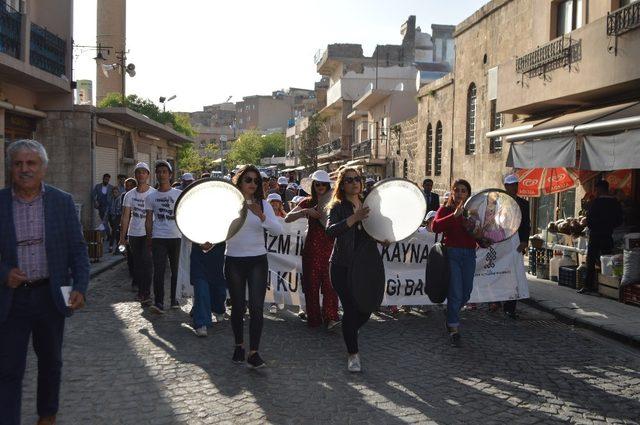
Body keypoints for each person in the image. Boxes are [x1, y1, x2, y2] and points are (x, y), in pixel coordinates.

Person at [0, 139, 89, 425]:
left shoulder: (61, 202)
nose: (24, 169)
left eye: (31, 163)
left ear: (43, 168)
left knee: (51, 362)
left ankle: (47, 415)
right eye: (18, 163)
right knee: (8, 368)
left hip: (50, 294)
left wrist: (80, 287)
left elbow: (78, 248)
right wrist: (4, 273)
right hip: (11, 299)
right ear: (10, 168)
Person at [225, 165, 282, 368]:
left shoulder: (264, 205)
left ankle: (254, 352)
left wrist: (262, 216)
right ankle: (239, 346)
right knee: (238, 307)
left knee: (257, 307)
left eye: (256, 181)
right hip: (234, 259)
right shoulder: (229, 203)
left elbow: (278, 230)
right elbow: (218, 227)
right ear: (240, 182)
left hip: (258, 259)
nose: (252, 184)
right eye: (248, 179)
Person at [326, 167, 381, 372]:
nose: (354, 182)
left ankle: (349, 331)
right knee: (350, 308)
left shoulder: (370, 204)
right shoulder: (338, 206)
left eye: (357, 179)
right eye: (349, 180)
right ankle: (353, 354)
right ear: (342, 185)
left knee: (367, 307)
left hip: (365, 266)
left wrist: (382, 238)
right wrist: (354, 218)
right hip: (342, 265)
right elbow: (330, 231)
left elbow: (377, 228)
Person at [286, 170, 340, 330]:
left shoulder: (335, 202)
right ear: (313, 185)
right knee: (312, 285)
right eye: (318, 184)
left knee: (330, 285)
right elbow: (288, 217)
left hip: (330, 247)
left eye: (324, 184)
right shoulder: (307, 202)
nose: (321, 187)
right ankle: (314, 318)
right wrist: (305, 212)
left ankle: (331, 318)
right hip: (312, 248)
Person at [432, 179, 477, 347]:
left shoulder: (473, 212)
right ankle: (453, 326)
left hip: (470, 254)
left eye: (463, 190)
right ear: (452, 192)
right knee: (456, 292)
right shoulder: (445, 209)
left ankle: (451, 312)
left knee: (466, 293)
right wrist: (454, 215)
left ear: (468, 194)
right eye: (456, 190)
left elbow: (476, 233)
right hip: (452, 254)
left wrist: (483, 239)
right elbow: (435, 227)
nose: (459, 193)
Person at [145, 160, 182, 313]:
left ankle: (174, 299)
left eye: (164, 172)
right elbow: (148, 220)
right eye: (159, 172)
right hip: (158, 237)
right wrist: (149, 237)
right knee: (159, 271)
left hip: (176, 237)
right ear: (156, 175)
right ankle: (159, 302)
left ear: (170, 175)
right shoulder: (151, 197)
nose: (161, 174)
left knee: (176, 271)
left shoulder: (179, 195)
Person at [119, 163, 156, 304]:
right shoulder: (129, 195)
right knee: (137, 264)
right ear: (135, 175)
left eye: (144, 172)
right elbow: (125, 216)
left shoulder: (153, 193)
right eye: (138, 172)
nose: (141, 175)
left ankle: (146, 293)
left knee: (147, 263)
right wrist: (122, 237)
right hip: (133, 234)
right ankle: (141, 291)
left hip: (148, 234)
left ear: (148, 175)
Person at [580, 179, 623, 295]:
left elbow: (588, 220)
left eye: (596, 189)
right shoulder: (615, 203)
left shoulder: (596, 202)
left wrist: (595, 226)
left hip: (595, 235)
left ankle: (589, 286)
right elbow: (619, 220)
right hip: (608, 235)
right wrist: (610, 226)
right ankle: (608, 287)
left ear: (599, 189)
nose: (595, 191)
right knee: (607, 260)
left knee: (591, 260)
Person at [502, 174, 531, 318]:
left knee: (514, 275)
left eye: (516, 185)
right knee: (499, 272)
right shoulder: (499, 203)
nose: (514, 188)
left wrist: (525, 241)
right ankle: (495, 300)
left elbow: (527, 224)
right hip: (501, 244)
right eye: (511, 185)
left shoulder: (524, 204)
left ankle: (510, 307)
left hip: (516, 244)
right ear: (506, 187)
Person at [190, 241, 227, 337]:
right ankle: (201, 323)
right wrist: (199, 241)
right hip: (198, 251)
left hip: (217, 250)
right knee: (201, 288)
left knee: (218, 288)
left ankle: (218, 309)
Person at [92, 173, 114, 238]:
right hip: (101, 206)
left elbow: (114, 196)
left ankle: (108, 236)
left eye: (108, 179)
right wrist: (95, 201)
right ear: (103, 179)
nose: (106, 181)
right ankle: (107, 236)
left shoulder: (111, 187)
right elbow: (93, 194)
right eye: (105, 179)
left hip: (108, 207)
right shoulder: (97, 186)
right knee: (104, 222)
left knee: (105, 221)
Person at [107, 185, 124, 254]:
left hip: (118, 216)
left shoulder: (119, 199)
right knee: (116, 233)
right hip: (111, 217)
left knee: (114, 232)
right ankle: (119, 248)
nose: (114, 194)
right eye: (113, 192)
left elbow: (119, 209)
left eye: (116, 192)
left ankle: (111, 246)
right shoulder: (111, 199)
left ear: (118, 192)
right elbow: (109, 208)